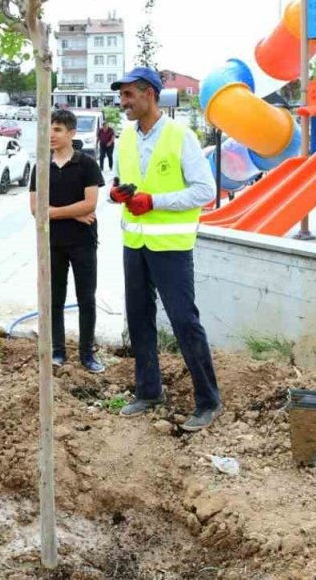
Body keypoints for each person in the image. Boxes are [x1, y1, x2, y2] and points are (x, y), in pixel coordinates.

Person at [109, 68, 221, 431]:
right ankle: (148, 390)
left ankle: (207, 401)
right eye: (122, 95)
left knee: (184, 322)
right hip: (134, 243)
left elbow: (205, 191)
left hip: (170, 246)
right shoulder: (126, 136)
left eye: (128, 95)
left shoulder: (179, 136)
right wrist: (118, 193)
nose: (122, 102)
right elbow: (123, 181)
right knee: (139, 318)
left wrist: (154, 201)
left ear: (149, 95)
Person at [29, 109, 105, 373]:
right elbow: (35, 209)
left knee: (86, 298)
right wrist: (74, 214)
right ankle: (58, 352)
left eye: (58, 129)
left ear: (72, 133)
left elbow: (91, 203)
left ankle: (87, 354)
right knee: (55, 299)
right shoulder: (41, 165)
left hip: (83, 243)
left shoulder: (87, 164)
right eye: (49, 128)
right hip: (53, 243)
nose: (51, 134)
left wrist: (52, 212)